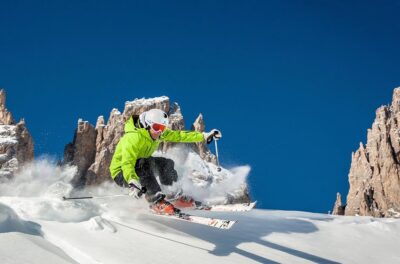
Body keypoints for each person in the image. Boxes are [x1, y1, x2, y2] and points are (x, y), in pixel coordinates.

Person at [109, 108, 221, 215]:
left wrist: (204, 136)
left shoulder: (158, 133)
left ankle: (173, 196)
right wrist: (132, 181)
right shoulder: (133, 138)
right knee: (143, 164)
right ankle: (156, 202)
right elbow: (127, 162)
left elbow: (179, 136)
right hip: (122, 173)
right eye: (157, 127)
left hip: (139, 165)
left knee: (166, 163)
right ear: (147, 124)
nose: (160, 131)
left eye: (162, 128)